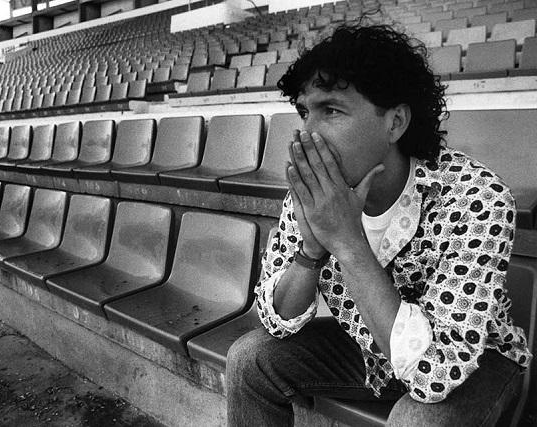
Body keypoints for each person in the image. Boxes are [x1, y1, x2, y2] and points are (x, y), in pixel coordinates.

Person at [226, 23, 532, 427]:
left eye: (331, 110)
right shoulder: (316, 192)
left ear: (395, 122)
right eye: (304, 112)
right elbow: (275, 321)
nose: (307, 133)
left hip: (469, 360)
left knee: (416, 420)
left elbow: (437, 372)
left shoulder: (475, 197)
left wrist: (346, 240)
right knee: (249, 359)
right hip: (371, 349)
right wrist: (312, 250)